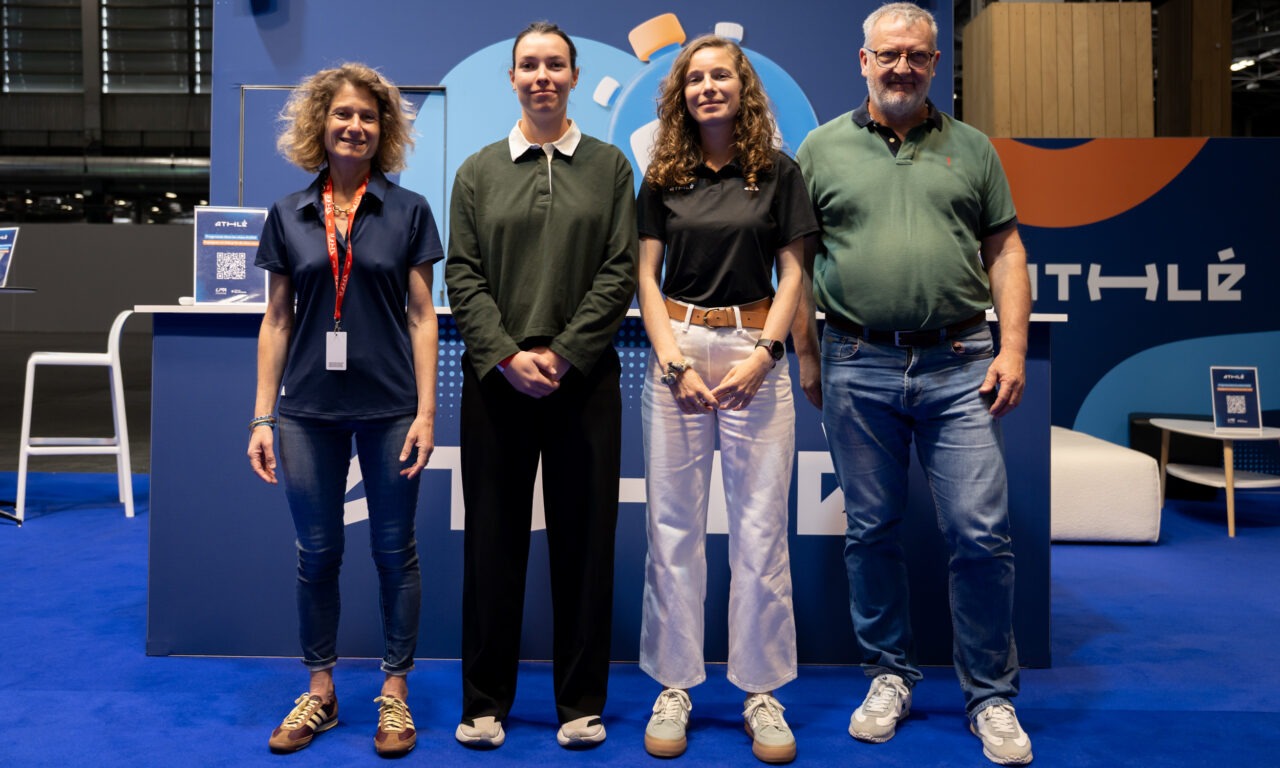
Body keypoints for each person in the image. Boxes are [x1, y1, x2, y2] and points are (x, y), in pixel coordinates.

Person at [794, 3, 1034, 765]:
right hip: (855, 361)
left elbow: (1006, 252)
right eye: (888, 54)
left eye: (918, 56)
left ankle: (991, 697)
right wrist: (806, 355)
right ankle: (889, 675)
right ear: (862, 60)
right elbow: (797, 262)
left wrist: (1014, 347)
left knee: (979, 533)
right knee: (871, 533)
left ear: (936, 65)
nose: (902, 67)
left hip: (961, 361)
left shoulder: (973, 148)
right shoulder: (820, 148)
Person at [445, 21, 637, 750]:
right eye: (529, 65)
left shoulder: (612, 168)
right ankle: (484, 702)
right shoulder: (477, 171)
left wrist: (562, 354)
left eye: (555, 64)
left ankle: (579, 702)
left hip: (583, 384)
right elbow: (461, 274)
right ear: (514, 79)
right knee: (492, 547)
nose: (542, 76)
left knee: (585, 547)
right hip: (497, 385)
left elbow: (620, 269)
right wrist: (503, 354)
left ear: (574, 76)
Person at [247, 62, 442, 758]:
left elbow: (424, 317)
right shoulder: (288, 214)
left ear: (382, 130)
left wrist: (426, 412)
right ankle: (321, 692)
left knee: (395, 553)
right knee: (317, 553)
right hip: (305, 412)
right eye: (342, 115)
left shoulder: (410, 210)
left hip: (391, 407)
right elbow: (275, 320)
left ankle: (395, 694)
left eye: (368, 116)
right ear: (319, 126)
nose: (355, 126)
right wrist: (262, 417)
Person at [634, 35, 815, 764]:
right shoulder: (663, 174)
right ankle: (675, 684)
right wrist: (673, 362)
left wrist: (767, 354)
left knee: (761, 532)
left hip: (755, 353)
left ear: (744, 90)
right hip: (677, 353)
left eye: (721, 77)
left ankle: (760, 690)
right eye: (696, 78)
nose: (709, 87)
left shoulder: (777, 172)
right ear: (682, 92)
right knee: (672, 531)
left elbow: (795, 273)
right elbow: (646, 277)